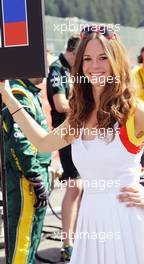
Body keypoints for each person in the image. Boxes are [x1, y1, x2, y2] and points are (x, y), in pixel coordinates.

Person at [1, 25, 144, 263]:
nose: (95, 66)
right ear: (80, 65)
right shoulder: (79, 115)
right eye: (88, 59)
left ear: (117, 60)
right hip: (90, 222)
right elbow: (42, 142)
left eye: (103, 57)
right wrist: (8, 97)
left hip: (129, 222)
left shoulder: (133, 111)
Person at [1, 78, 51, 264]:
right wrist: (35, 177)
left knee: (31, 238)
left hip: (35, 173)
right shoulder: (19, 93)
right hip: (25, 178)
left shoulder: (28, 91)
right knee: (23, 243)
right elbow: (19, 142)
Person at [47, 35, 83, 262]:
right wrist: (87, 109)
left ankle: (79, 239)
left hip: (83, 134)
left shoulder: (76, 69)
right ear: (74, 51)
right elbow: (60, 104)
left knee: (84, 188)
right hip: (66, 135)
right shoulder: (57, 68)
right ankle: (68, 243)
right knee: (74, 188)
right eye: (83, 55)